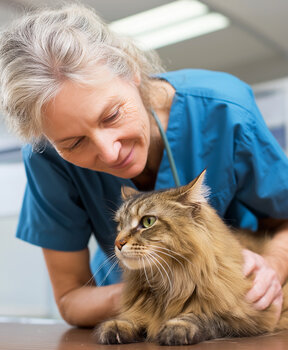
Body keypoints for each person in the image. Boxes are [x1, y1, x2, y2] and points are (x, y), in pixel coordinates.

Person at [0, 3, 288, 328]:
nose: (109, 153)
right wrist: (151, 295)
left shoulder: (225, 109)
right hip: (133, 305)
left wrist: (273, 267)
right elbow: (71, 298)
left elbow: (284, 220)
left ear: (133, 73)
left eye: (111, 116)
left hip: (238, 296)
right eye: (74, 143)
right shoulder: (45, 158)